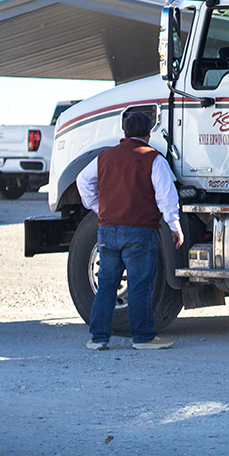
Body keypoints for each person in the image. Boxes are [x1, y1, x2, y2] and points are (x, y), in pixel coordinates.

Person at [77, 110, 184, 351]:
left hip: (107, 230)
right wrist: (174, 225)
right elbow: (166, 196)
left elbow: (83, 181)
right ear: (148, 133)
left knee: (106, 284)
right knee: (140, 284)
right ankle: (143, 337)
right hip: (139, 232)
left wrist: (97, 207)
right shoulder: (153, 159)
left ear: (124, 132)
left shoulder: (104, 156)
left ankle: (98, 338)